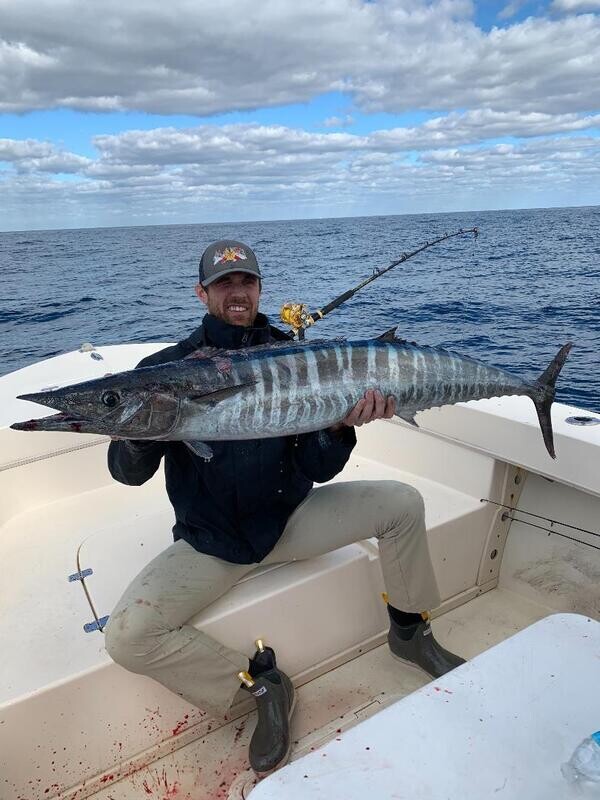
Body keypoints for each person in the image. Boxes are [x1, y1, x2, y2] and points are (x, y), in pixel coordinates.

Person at [104, 239, 465, 778]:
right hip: (212, 542)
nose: (237, 292)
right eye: (224, 284)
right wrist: (146, 427)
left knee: (402, 504)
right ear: (202, 293)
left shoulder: (295, 357)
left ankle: (409, 631)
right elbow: (126, 472)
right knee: (128, 637)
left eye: (246, 282)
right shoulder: (165, 368)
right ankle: (262, 686)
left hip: (289, 521)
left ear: (258, 288)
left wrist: (340, 424)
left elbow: (317, 468)